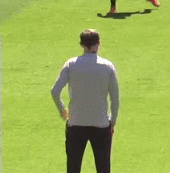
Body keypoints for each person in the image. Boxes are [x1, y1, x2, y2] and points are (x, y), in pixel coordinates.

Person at [51, 29, 119, 173]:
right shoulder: (107, 67)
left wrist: (63, 110)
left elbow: (55, 91)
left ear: (81, 44)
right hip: (101, 124)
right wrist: (112, 122)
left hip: (76, 123)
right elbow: (115, 98)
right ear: (98, 44)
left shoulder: (71, 64)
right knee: (103, 167)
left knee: (73, 168)